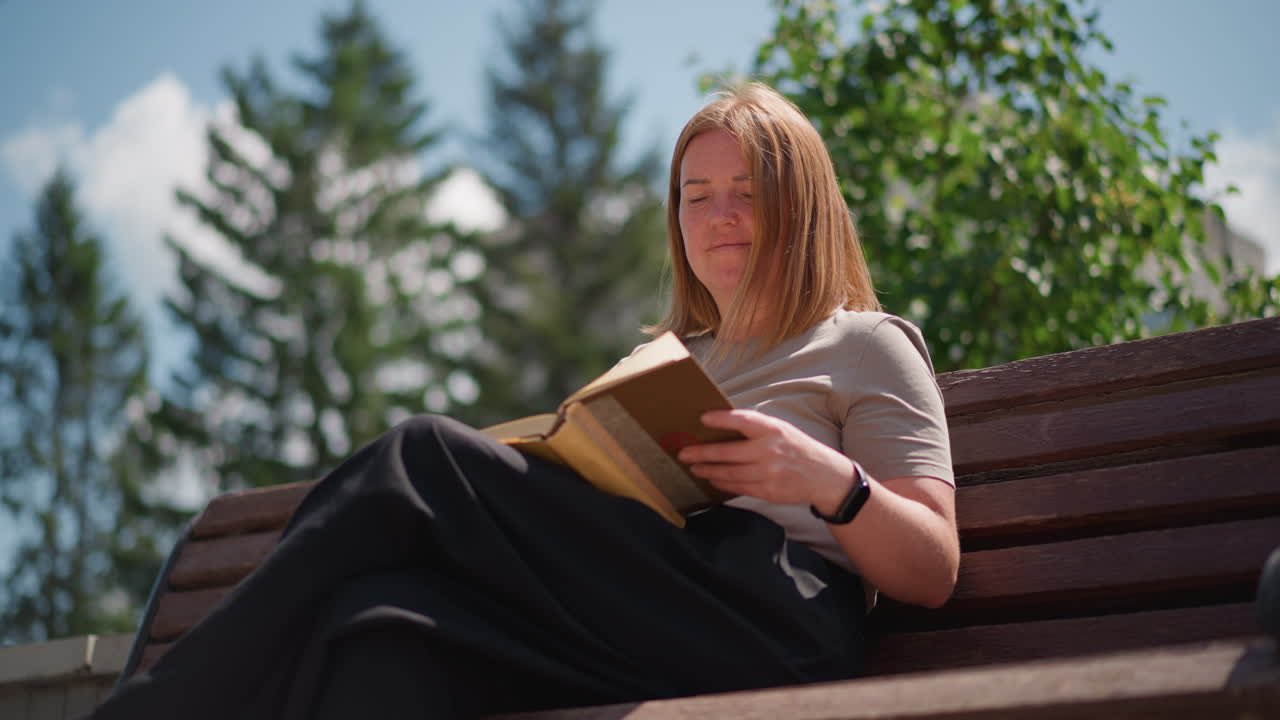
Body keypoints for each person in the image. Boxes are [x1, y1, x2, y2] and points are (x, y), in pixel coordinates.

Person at [92, 82, 957, 720]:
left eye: (748, 194)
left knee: (422, 457)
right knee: (379, 623)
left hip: (775, 622)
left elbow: (931, 570)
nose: (720, 216)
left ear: (799, 207)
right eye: (698, 197)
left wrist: (826, 479)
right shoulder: (656, 362)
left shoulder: (864, 344)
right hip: (635, 608)